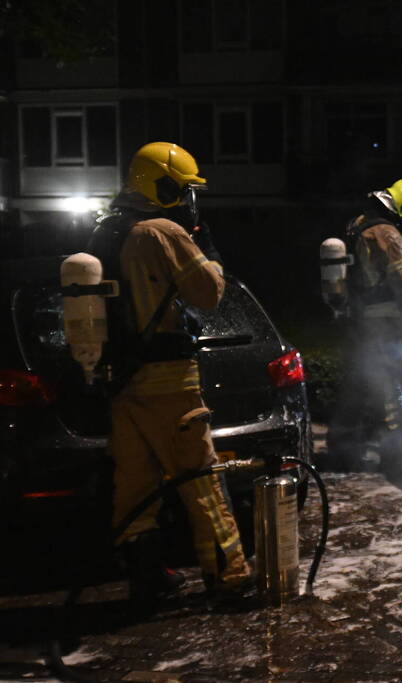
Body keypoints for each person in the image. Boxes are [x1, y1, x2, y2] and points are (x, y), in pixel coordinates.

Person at [89, 141, 250, 611]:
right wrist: (206, 244)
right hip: (170, 382)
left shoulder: (104, 232)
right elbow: (209, 293)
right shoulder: (162, 230)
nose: (186, 197)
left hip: (123, 383)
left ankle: (147, 580)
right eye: (181, 188)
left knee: (135, 487)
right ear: (158, 185)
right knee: (200, 480)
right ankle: (230, 578)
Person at [343, 178, 402, 465]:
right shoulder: (388, 233)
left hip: (361, 316)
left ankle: (348, 447)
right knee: (394, 384)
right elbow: (400, 281)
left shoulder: (361, 223)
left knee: (365, 382)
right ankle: (396, 453)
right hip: (384, 320)